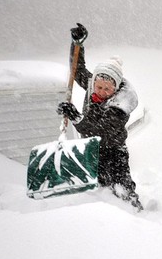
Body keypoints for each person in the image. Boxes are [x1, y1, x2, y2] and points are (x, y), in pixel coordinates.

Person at [57, 23, 143, 211]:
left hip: (114, 151)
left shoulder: (121, 104)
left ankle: (138, 216)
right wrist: (77, 45)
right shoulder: (93, 83)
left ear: (116, 87)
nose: (102, 92)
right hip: (93, 150)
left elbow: (98, 131)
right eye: (99, 87)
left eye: (107, 89)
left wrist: (75, 116)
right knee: (100, 190)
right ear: (94, 81)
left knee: (122, 190)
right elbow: (77, 71)